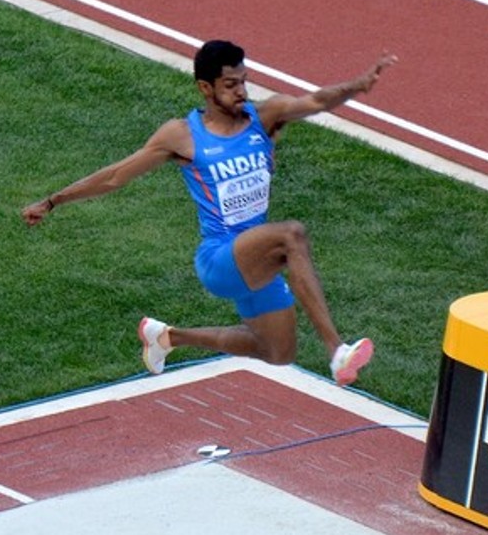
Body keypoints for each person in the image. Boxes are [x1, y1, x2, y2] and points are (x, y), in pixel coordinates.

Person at [22, 40, 397, 386]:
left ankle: (167, 337)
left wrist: (359, 85)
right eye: (231, 84)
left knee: (278, 353)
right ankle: (336, 350)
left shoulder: (265, 118)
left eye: (244, 81)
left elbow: (316, 101)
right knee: (292, 235)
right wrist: (53, 201)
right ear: (205, 88)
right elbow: (116, 176)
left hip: (257, 260)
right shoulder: (182, 135)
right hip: (219, 259)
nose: (242, 92)